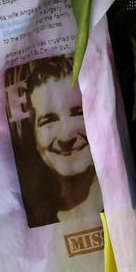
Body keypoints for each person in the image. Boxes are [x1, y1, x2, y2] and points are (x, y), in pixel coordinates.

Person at [13, 55, 103, 227]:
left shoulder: (124, 197)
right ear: (34, 133)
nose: (65, 136)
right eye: (48, 121)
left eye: (78, 113)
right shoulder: (25, 216)